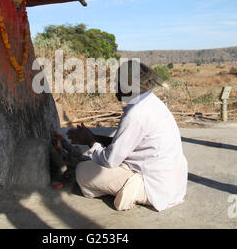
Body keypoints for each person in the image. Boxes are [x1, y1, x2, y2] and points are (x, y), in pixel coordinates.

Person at [67, 60, 188, 211]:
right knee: (92, 162)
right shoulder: (150, 102)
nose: (114, 88)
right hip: (172, 183)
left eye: (117, 83)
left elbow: (110, 160)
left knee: (83, 171)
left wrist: (90, 142)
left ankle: (132, 190)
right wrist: (95, 137)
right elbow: (128, 144)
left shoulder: (135, 114)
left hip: (155, 187)